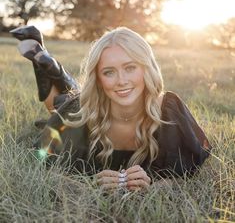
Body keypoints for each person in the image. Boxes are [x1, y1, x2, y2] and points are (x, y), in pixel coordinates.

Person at [10, 25, 211, 190]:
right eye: (108, 72)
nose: (121, 81)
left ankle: (50, 65)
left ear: (146, 68)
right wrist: (89, 185)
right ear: (98, 78)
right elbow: (46, 163)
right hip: (86, 106)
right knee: (59, 105)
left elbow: (186, 176)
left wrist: (153, 187)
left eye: (130, 68)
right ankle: (47, 63)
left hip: (91, 101)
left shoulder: (169, 110)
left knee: (63, 100)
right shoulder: (81, 112)